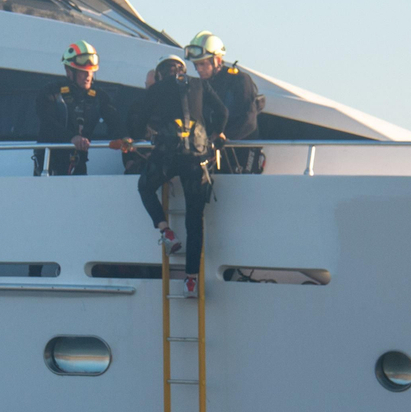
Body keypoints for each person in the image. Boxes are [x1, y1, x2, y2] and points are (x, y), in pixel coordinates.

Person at [127, 55, 228, 296]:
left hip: (168, 156)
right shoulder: (200, 84)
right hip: (196, 158)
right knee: (194, 218)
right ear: (182, 70)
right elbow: (223, 112)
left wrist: (139, 137)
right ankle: (191, 280)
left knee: (144, 186)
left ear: (160, 73)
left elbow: (138, 123)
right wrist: (217, 134)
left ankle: (166, 231)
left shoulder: (157, 88)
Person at [33, 41, 124, 176]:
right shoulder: (51, 92)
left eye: (91, 71)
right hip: (49, 163)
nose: (88, 76)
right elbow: (48, 122)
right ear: (69, 71)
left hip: (78, 163)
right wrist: (71, 137)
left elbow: (115, 120)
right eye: (83, 71)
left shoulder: (99, 96)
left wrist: (125, 137)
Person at [186, 32, 266, 174]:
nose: (198, 69)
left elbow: (249, 121)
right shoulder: (202, 86)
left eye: (202, 64)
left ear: (217, 60)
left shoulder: (239, 80)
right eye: (196, 65)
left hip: (241, 151)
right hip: (213, 153)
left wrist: (224, 137)